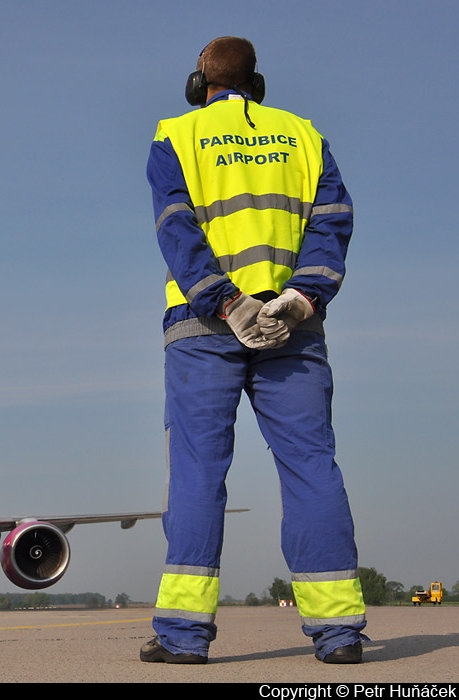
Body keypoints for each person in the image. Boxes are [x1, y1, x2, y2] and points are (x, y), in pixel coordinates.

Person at [141, 36, 366, 665]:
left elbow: (175, 225)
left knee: (197, 475)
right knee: (311, 467)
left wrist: (224, 301)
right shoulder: (303, 136)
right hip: (293, 329)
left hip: (202, 327)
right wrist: (302, 298)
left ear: (198, 83)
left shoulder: (176, 135)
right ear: (256, 84)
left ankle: (184, 637)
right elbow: (333, 221)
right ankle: (339, 632)